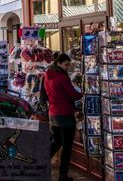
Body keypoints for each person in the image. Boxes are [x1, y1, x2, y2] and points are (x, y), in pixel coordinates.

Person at [44, 52, 83, 181]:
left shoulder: (47, 75)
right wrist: (83, 92)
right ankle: (62, 175)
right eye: (66, 65)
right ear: (59, 63)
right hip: (65, 115)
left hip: (53, 114)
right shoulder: (62, 77)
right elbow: (73, 94)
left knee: (56, 142)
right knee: (66, 147)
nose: (67, 67)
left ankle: (42, 162)